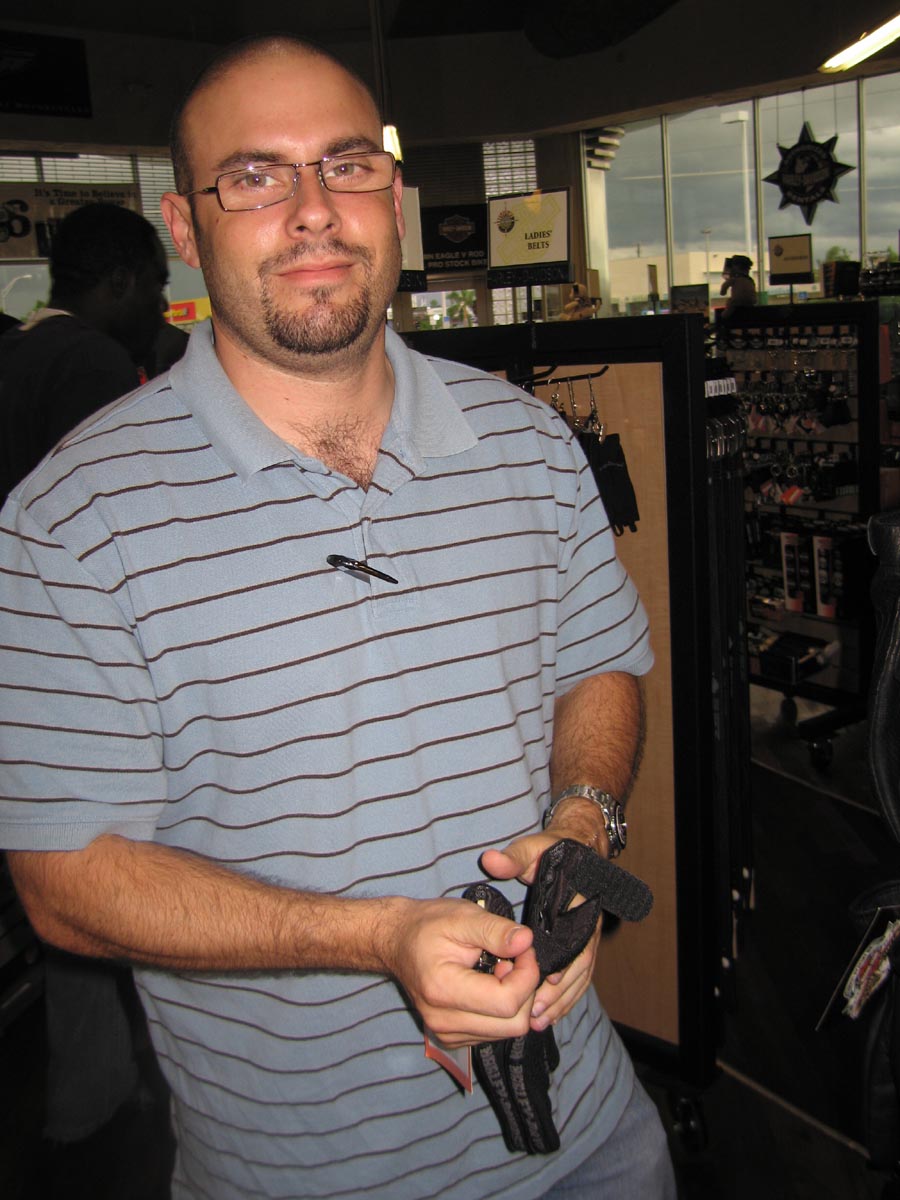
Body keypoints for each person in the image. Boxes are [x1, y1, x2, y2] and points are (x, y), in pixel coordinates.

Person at [0, 35, 674, 1200]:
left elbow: (599, 664)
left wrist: (583, 818)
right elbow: (63, 876)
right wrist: (375, 937)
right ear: (184, 224)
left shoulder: (527, 442)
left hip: (598, 1138)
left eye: (348, 165)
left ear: (394, 200)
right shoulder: (71, 520)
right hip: (309, 1170)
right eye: (256, 175)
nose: (313, 209)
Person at [0, 202, 170, 503]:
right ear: (121, 282)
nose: (163, 305)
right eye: (157, 286)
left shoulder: (15, 345)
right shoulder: (92, 362)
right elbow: (120, 501)